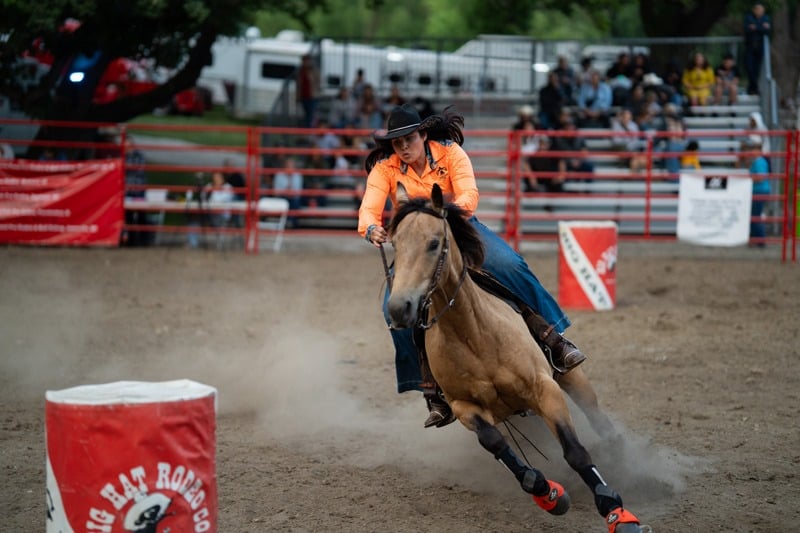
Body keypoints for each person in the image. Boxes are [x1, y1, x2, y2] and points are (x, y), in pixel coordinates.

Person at [358, 104, 586, 428]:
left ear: (423, 134)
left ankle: (554, 338)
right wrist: (371, 228)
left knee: (508, 264)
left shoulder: (450, 153)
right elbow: (369, 208)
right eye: (397, 143)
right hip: (419, 242)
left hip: (460, 226)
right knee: (391, 309)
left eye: (409, 139)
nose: (404, 147)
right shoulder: (385, 168)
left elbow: (469, 195)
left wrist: (445, 214)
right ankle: (432, 388)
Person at [742, 140, 770, 246]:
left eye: (754, 149)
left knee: (755, 216)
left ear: (758, 151)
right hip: (759, 191)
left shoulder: (759, 162)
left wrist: (749, 178)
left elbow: (760, 177)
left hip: (759, 191)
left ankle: (760, 240)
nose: (752, 151)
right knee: (755, 215)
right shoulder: (758, 161)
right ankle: (757, 239)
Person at [743, 3, 771, 95]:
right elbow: (747, 29)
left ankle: (752, 88)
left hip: (760, 46)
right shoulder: (748, 18)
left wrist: (755, 27)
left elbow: (767, 30)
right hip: (750, 46)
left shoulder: (765, 18)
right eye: (758, 10)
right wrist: (761, 27)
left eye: (762, 10)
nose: (760, 12)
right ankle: (753, 87)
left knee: (757, 68)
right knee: (749, 68)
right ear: (754, 10)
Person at [272, 156, 304, 227]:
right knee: (286, 201)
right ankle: (287, 224)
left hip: (293, 198)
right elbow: (276, 192)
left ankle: (291, 224)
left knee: (295, 202)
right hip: (282, 197)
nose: (290, 168)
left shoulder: (298, 176)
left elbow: (299, 192)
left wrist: (291, 192)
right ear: (284, 166)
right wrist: (286, 191)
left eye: (292, 166)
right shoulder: (279, 175)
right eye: (288, 166)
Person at [296, 54, 320, 128]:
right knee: (306, 114)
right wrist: (297, 96)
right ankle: (306, 129)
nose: (305, 62)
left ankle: (309, 130)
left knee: (311, 114)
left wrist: (310, 77)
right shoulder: (300, 71)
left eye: (306, 61)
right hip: (303, 96)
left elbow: (318, 82)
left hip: (313, 96)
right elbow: (298, 85)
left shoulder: (314, 70)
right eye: (303, 61)